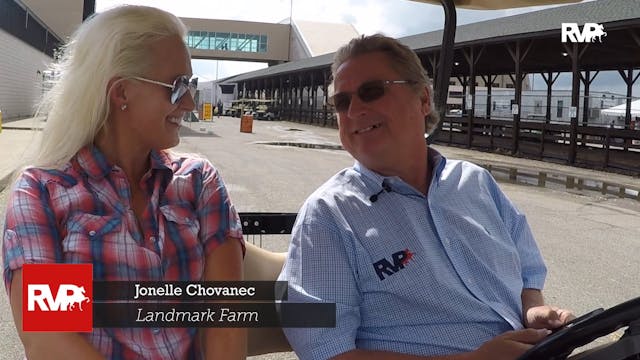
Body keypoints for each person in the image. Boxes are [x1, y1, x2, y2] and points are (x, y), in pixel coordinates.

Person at [279, 34, 573, 360]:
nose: (354, 111)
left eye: (372, 91)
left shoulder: (476, 183)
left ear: (423, 99)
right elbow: (324, 353)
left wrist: (532, 310)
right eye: (341, 102)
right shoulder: (326, 216)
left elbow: (528, 272)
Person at [2, 5, 246, 359]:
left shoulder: (198, 181)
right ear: (122, 94)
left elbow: (224, 319)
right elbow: (51, 338)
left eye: (190, 85)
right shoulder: (46, 192)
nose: (191, 103)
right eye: (178, 87)